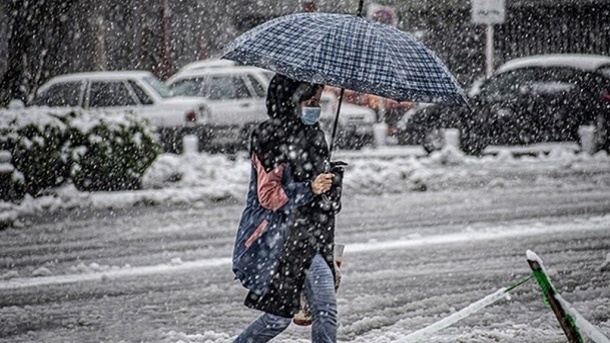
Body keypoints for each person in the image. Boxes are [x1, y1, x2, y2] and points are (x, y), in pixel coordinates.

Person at [231, 73, 344, 343]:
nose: (315, 107)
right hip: (280, 240)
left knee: (325, 310)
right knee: (277, 318)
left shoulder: (315, 135)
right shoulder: (269, 137)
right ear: (291, 99)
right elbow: (268, 196)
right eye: (309, 99)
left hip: (311, 237)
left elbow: (322, 199)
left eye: (318, 100)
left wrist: (332, 185)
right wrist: (309, 188)